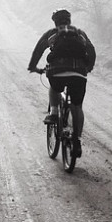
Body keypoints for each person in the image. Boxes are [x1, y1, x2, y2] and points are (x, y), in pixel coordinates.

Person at [27, 8, 96, 155]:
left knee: (54, 88)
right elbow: (91, 50)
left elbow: (39, 49)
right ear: (69, 20)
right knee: (77, 106)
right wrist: (88, 67)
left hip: (57, 72)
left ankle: (54, 112)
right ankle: (77, 140)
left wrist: (33, 66)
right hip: (79, 74)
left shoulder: (52, 33)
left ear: (55, 22)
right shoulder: (79, 33)